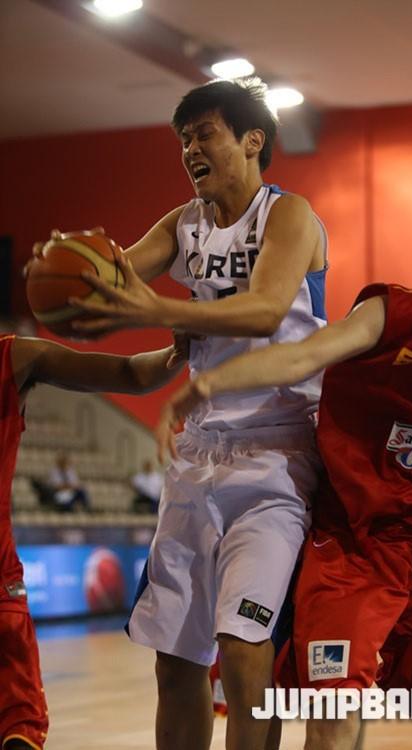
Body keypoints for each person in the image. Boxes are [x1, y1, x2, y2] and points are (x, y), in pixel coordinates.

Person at [156, 197, 412, 750]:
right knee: (332, 719)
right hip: (354, 551)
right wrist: (212, 382)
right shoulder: (394, 313)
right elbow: (304, 354)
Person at [48, 78, 328, 750]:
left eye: (205, 134)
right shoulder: (184, 224)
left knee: (244, 649)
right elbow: (117, 277)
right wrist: (74, 280)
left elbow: (266, 308)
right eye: (183, 139)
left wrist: (159, 308)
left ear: (252, 140)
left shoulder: (289, 215)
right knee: (175, 664)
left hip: (278, 458)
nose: (190, 150)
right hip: (199, 454)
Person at [0, 331, 186, 750]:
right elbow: (131, 375)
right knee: (18, 725)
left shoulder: (15, 357)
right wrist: (179, 351)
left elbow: (134, 374)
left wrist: (179, 350)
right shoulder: (14, 356)